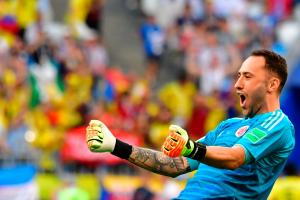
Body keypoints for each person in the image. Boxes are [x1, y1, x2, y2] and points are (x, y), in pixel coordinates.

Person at [86, 49, 295, 199]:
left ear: (272, 84)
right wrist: (114, 146)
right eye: (238, 76)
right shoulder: (227, 126)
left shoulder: (278, 125)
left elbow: (235, 158)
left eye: (247, 77)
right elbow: (173, 165)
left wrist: (191, 148)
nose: (237, 84)